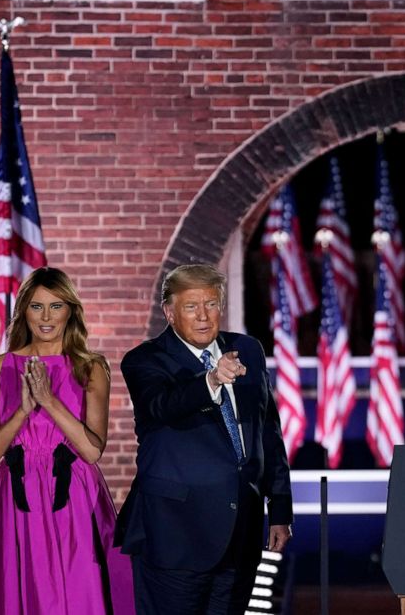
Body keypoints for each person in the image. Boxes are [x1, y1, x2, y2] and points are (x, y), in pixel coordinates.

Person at [114, 263, 293, 614]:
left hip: (240, 534)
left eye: (211, 304)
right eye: (191, 306)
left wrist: (280, 510)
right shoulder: (144, 360)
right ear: (169, 311)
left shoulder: (248, 351)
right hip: (174, 535)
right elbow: (161, 406)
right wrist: (210, 381)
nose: (203, 316)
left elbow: (268, 432)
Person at [0, 267, 134, 614]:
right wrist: (21, 413)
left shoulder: (91, 367)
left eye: (56, 306)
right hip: (16, 499)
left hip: (71, 497)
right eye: (36, 306)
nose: (46, 317)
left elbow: (91, 450)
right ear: (23, 310)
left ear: (71, 310)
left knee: (76, 595)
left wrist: (49, 401)